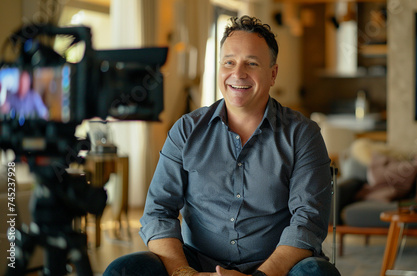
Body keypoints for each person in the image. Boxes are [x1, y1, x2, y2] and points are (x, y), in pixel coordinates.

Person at [104, 15, 340, 276]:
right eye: (229, 62)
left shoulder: (302, 134)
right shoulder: (186, 130)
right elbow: (158, 211)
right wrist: (183, 273)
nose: (238, 73)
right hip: (195, 265)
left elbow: (308, 222)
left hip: (277, 267)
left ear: (272, 74)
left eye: (251, 63)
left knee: (318, 273)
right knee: (122, 270)